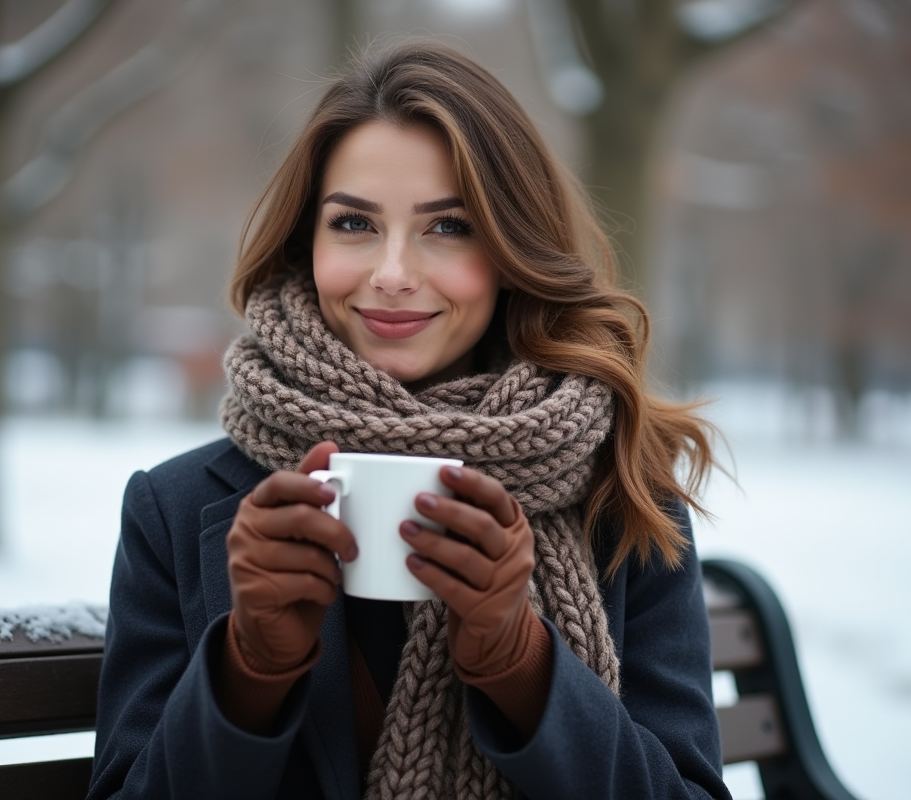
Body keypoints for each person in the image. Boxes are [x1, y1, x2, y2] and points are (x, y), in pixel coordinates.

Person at [89, 40, 729, 800]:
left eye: (448, 227)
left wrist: (522, 665)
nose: (392, 274)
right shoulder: (178, 509)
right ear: (307, 243)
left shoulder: (621, 499)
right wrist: (248, 670)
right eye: (354, 224)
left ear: (511, 250)